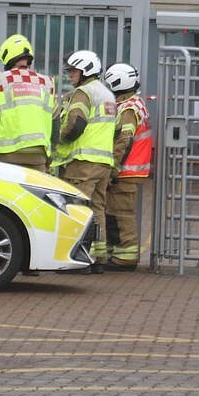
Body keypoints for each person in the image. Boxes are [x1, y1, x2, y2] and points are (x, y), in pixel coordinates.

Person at [52, 50, 116, 274]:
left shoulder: (83, 93)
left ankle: (79, 258)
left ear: (85, 71)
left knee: (77, 209)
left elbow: (75, 124)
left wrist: (58, 139)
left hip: (83, 162)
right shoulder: (107, 94)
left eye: (73, 71)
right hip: (103, 162)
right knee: (97, 209)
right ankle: (98, 258)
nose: (70, 76)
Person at [0, 34, 58, 172]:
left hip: (6, 156)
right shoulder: (46, 83)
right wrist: (50, 156)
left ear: (7, 57)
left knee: (5, 193)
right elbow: (55, 124)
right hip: (38, 156)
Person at [102, 63, 152, 271]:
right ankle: (118, 253)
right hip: (130, 168)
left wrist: (113, 168)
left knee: (121, 213)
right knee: (114, 211)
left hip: (127, 169)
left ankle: (126, 258)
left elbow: (125, 140)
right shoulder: (134, 103)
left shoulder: (128, 108)